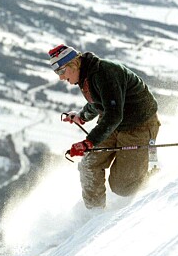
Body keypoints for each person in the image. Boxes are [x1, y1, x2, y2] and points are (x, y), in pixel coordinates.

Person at [48, 44, 161, 209]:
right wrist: (82, 116)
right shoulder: (86, 76)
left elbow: (114, 113)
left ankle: (153, 174)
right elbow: (99, 102)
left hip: (139, 126)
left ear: (73, 64)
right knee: (88, 165)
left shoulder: (105, 74)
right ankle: (95, 215)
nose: (60, 77)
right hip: (113, 124)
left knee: (122, 187)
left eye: (61, 71)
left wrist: (89, 142)